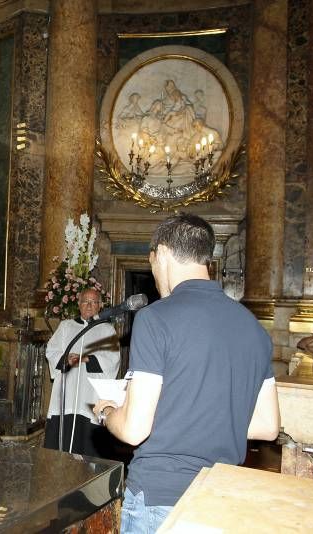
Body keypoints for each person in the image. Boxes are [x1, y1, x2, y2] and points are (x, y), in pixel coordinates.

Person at [93, 213, 280, 534]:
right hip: (217, 499)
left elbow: (135, 430)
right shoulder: (254, 328)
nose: (153, 275)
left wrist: (108, 411)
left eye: (152, 264)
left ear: (162, 253)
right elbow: (267, 426)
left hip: (160, 497)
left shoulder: (155, 318)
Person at [43, 287, 121, 456]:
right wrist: (66, 358)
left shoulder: (107, 330)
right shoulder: (66, 327)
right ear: (78, 304)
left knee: (87, 453)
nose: (89, 305)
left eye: (94, 302)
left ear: (100, 306)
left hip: (90, 397)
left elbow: (112, 360)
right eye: (85, 301)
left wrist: (85, 358)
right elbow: (51, 351)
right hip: (65, 397)